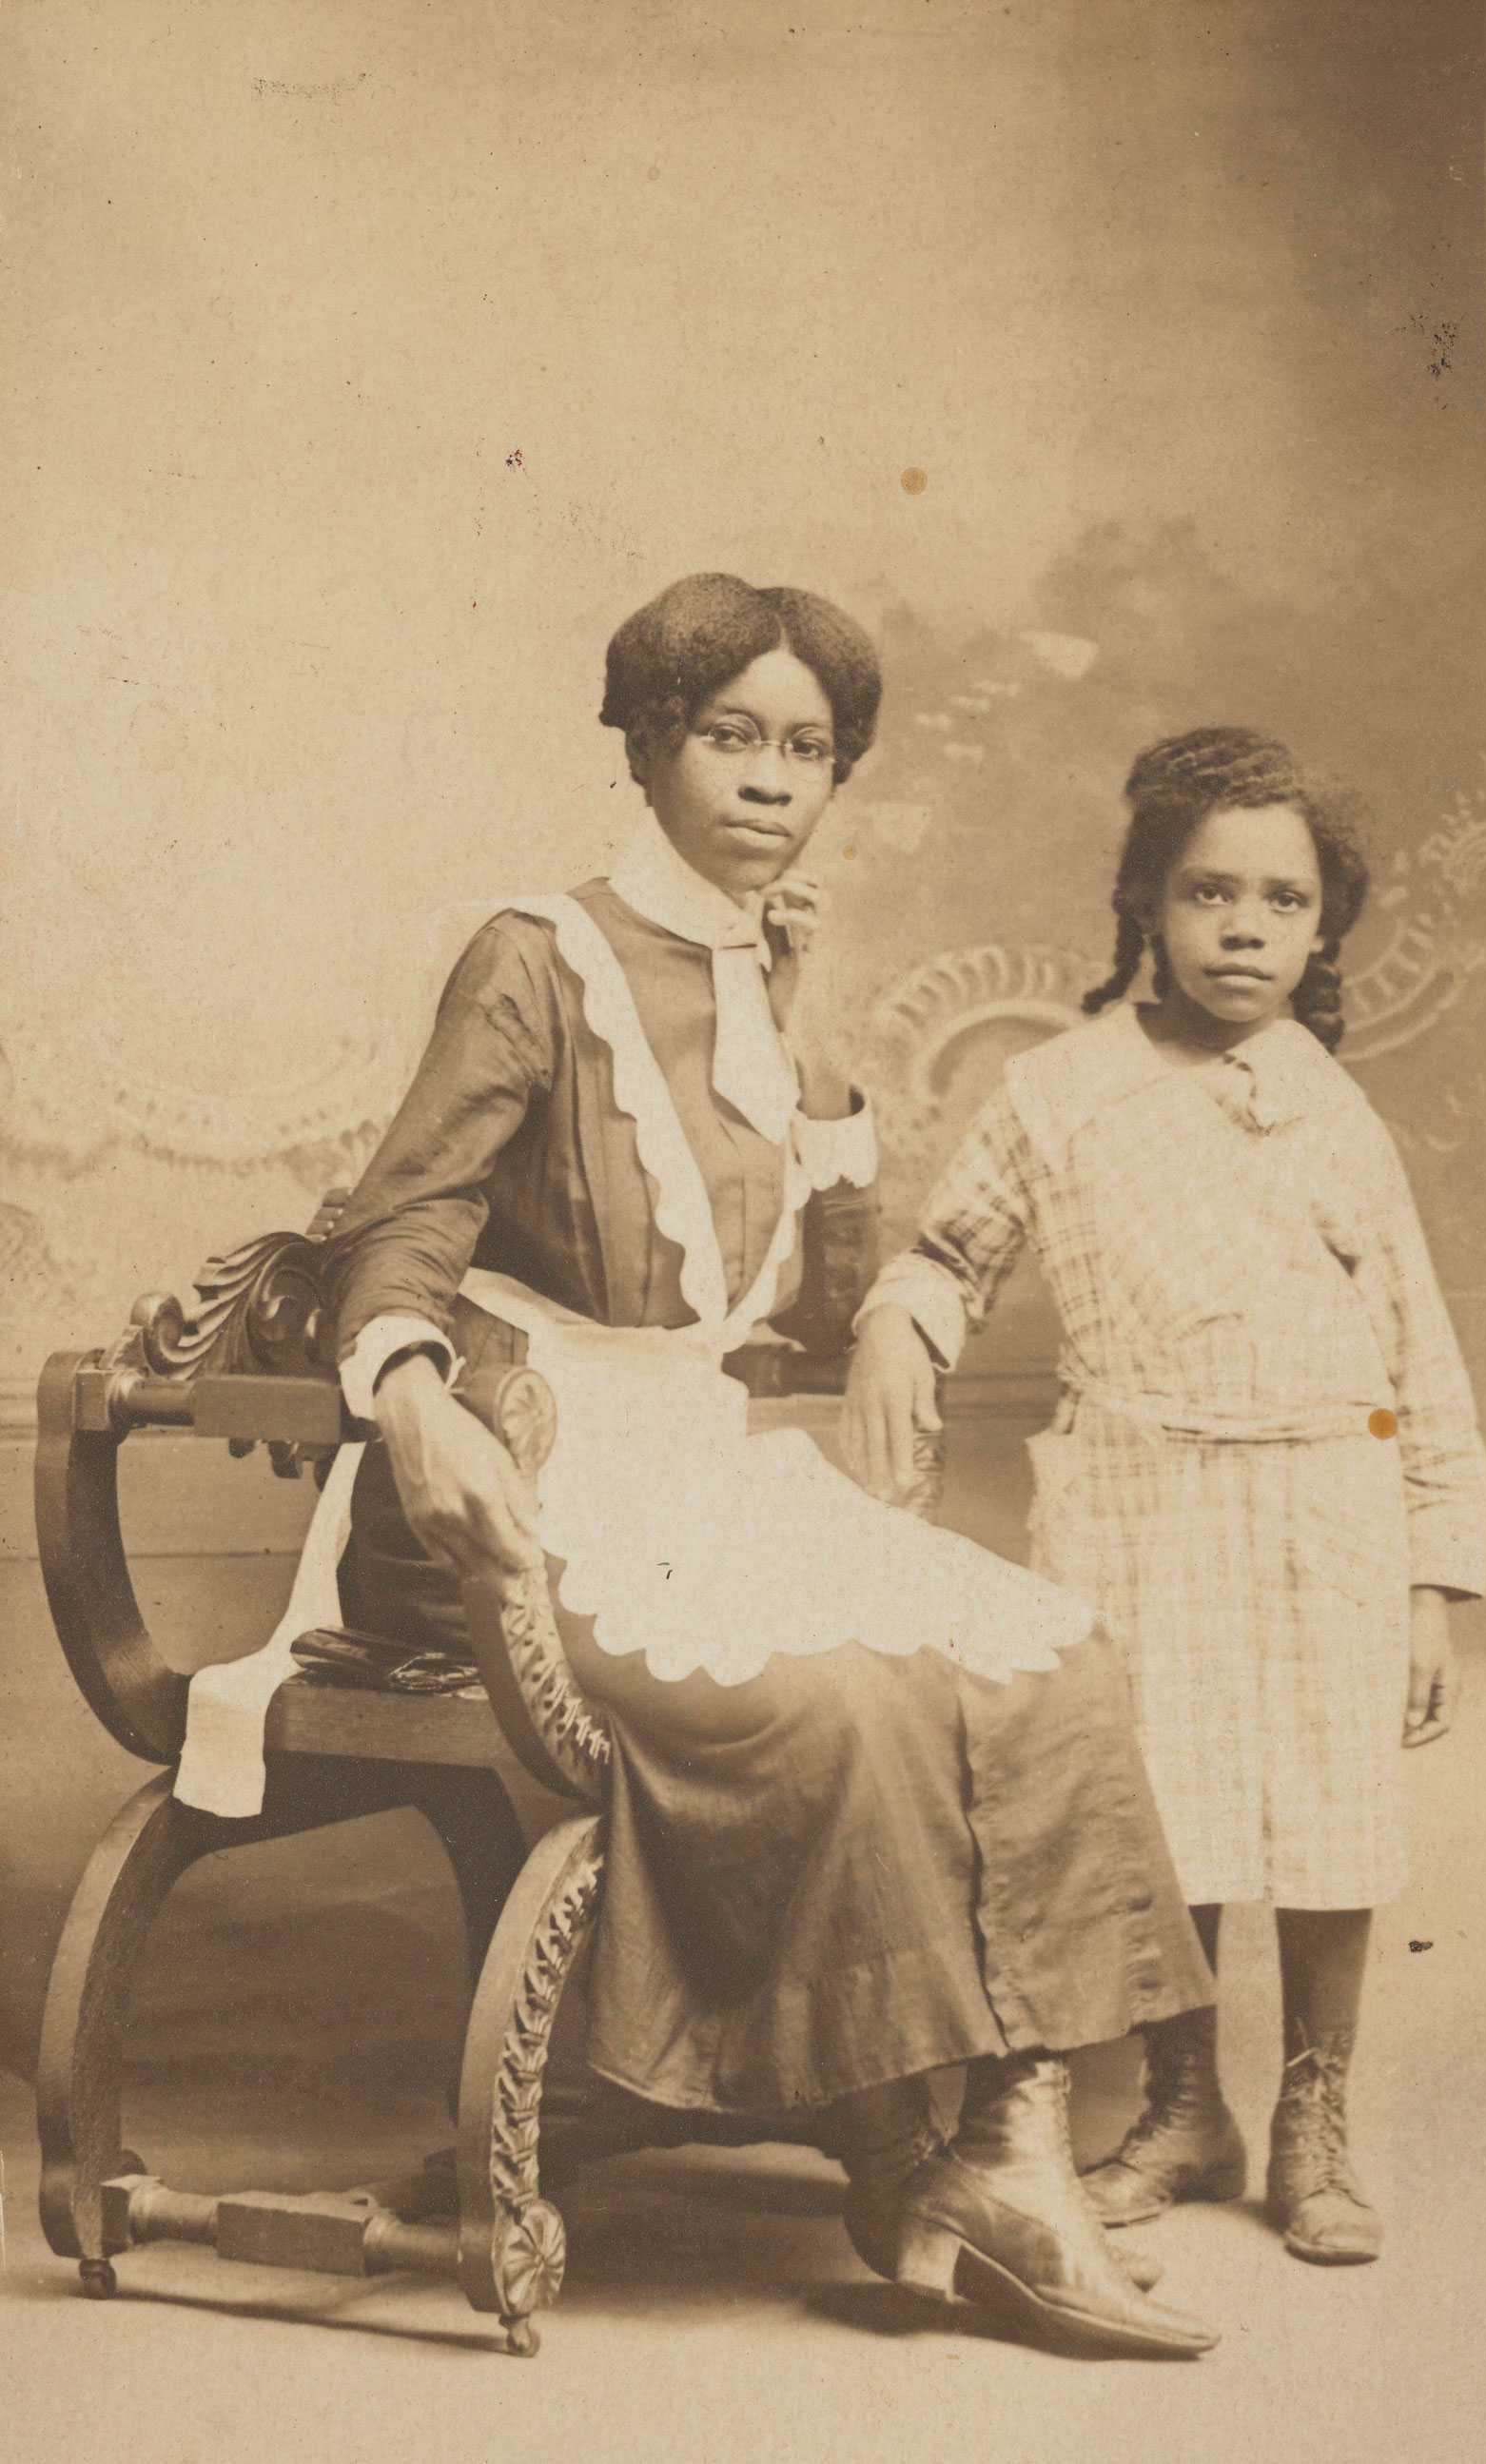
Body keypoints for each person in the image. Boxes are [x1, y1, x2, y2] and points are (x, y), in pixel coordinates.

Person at [311, 575, 1221, 2358]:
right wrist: (411, 1404)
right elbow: (396, 1221)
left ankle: (998, 2146)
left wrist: (805, 1031)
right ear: (649, 742)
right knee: (841, 1706)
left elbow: (800, 1299)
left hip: (695, 1470)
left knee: (1043, 1654)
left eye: (808, 749)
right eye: (731, 735)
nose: (770, 781)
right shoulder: (534, 952)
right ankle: (909, 2131)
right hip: (516, 1492)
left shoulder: (763, 973)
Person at [844, 726, 1486, 2268]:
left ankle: (1308, 2117)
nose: (1245, 928)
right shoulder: (1056, 1091)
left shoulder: (1332, 1110)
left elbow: (1419, 1348)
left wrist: (1425, 1585)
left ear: (1323, 922)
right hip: (1136, 1491)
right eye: (1209, 893)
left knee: (1326, 1820)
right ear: (1145, 901)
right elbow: (948, 1254)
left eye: (1282, 899)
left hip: (1320, 1497)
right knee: (1161, 1813)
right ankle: (1183, 2103)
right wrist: (890, 1325)